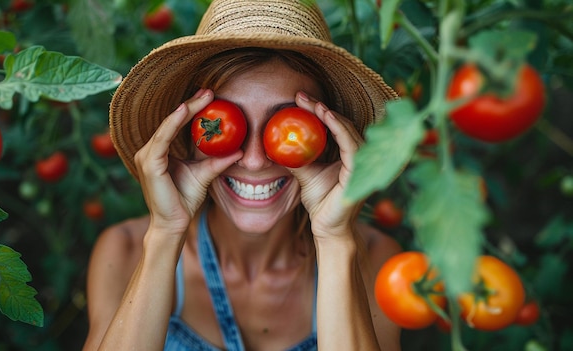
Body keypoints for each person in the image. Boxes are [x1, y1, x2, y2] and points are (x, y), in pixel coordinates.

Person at [83, 0, 402, 350]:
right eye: (222, 127)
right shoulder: (125, 251)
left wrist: (335, 240)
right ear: (185, 138)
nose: (253, 161)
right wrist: (164, 233)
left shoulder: (377, 262)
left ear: (330, 143)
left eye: (288, 128)